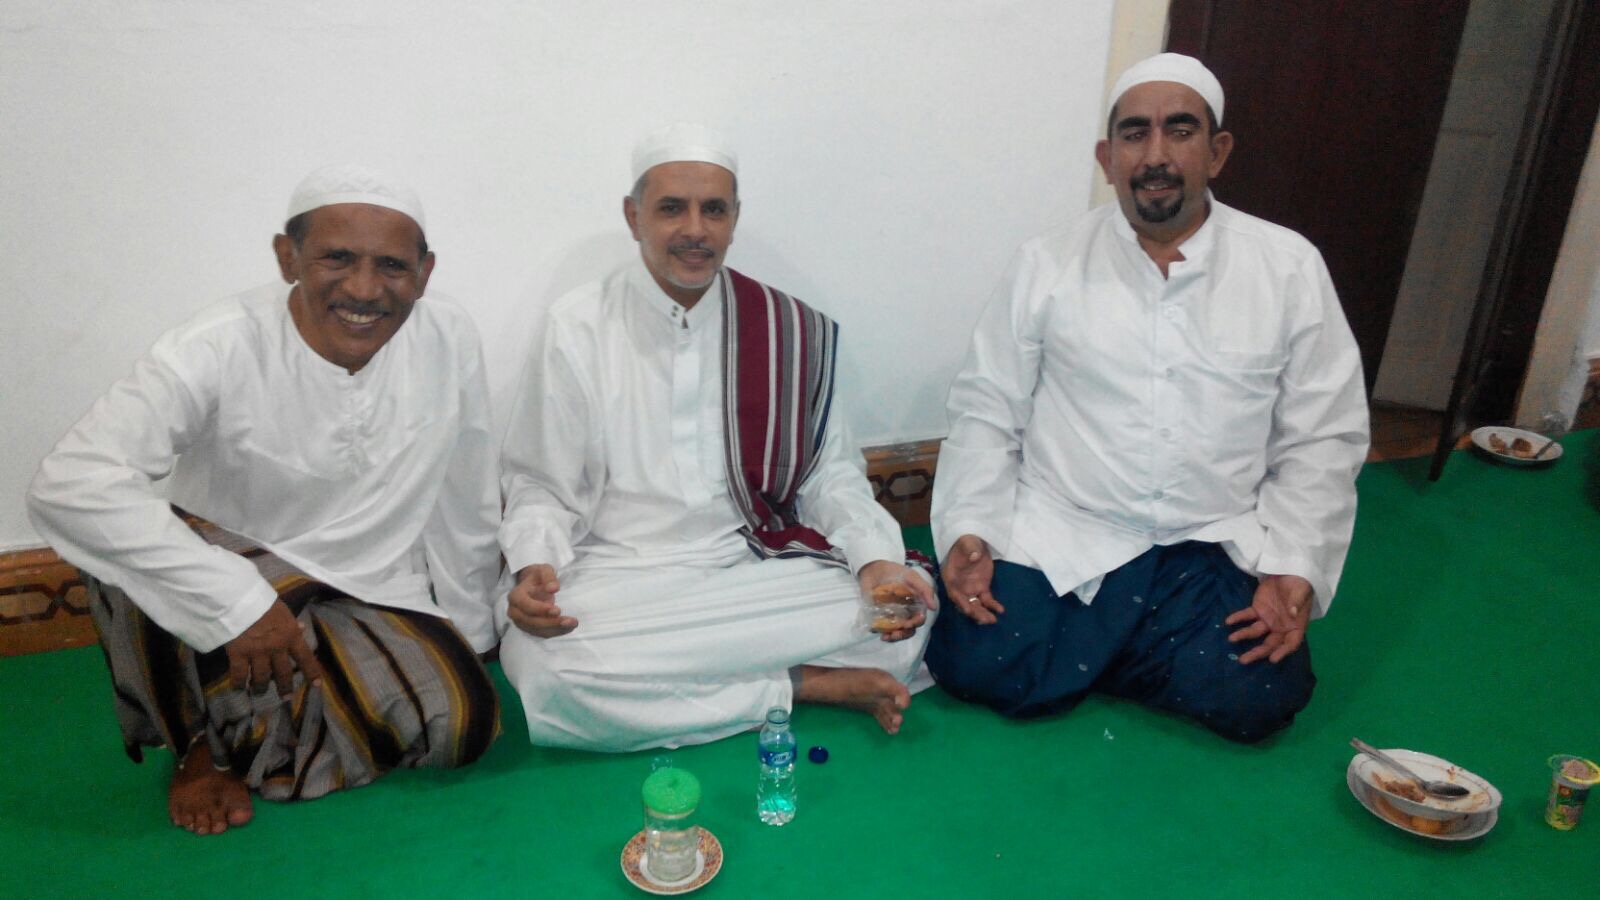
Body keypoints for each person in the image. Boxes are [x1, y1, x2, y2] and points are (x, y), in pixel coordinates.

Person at [26, 164, 502, 835]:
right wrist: (236, 601)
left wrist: (472, 632)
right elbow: (69, 481)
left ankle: (261, 719)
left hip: (365, 588)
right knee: (124, 546)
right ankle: (200, 741)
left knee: (461, 721)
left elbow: (466, 484)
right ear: (288, 258)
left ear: (424, 274)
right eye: (337, 258)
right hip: (226, 579)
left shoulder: (448, 336)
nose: (364, 289)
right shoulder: (218, 343)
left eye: (392, 266)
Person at [927, 54, 1369, 743]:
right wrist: (969, 527)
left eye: (1180, 131)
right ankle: (1148, 652)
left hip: (1207, 542)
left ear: (1217, 152)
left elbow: (1323, 437)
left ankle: (1094, 651)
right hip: (1067, 530)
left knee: (1261, 695)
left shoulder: (1287, 267)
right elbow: (987, 408)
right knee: (969, 658)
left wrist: (1295, 565)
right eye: (1135, 134)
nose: (1156, 155)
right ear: (1108, 159)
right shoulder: (1047, 263)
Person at [497, 123, 936, 752]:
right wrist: (536, 566)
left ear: (734, 219)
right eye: (672, 208)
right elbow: (541, 483)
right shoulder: (577, 327)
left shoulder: (787, 328)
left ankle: (711, 686)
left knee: (903, 613)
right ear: (634, 217)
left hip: (749, 564)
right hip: (618, 575)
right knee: (546, 665)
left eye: (714, 210)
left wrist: (875, 561)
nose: (695, 230)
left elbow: (829, 476)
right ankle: (804, 683)